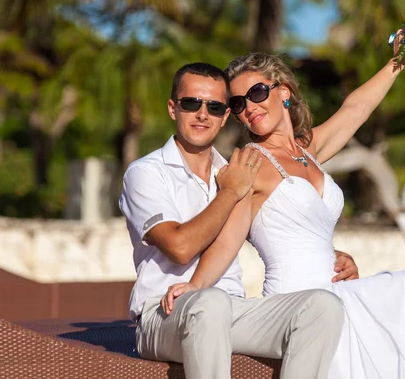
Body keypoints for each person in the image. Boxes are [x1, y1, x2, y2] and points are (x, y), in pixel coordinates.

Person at [177, 44, 405, 376]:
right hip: (299, 300)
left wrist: (402, 57)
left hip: (336, 288)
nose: (249, 106)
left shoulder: (308, 151)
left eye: (257, 92)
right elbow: (227, 241)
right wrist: (196, 286)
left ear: (284, 92)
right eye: (238, 103)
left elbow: (357, 108)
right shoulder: (251, 162)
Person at [119, 62, 360, 379]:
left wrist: (331, 254)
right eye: (192, 103)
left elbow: (275, 225)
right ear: (172, 108)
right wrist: (230, 192)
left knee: (322, 307)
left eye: (216, 107)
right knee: (210, 303)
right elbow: (179, 246)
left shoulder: (237, 168)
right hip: (164, 314)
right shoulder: (147, 172)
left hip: (233, 310)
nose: (203, 114)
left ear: (224, 117)